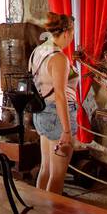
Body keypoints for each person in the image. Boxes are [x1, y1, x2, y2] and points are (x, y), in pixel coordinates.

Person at [28, 12, 77, 194]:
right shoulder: (59, 58)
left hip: (42, 112)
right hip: (57, 117)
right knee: (57, 176)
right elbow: (60, 96)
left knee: (46, 169)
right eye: (72, 34)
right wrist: (66, 131)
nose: (72, 38)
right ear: (66, 33)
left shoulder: (39, 51)